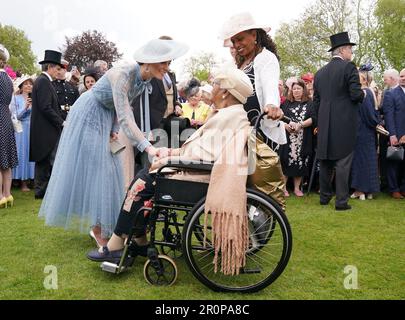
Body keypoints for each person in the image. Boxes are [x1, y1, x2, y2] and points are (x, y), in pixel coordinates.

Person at [87, 67, 253, 277]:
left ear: (226, 92)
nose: (212, 88)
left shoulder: (227, 117)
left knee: (142, 183)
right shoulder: (228, 114)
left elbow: (202, 156)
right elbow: (201, 151)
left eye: (217, 84)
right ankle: (137, 239)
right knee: (144, 178)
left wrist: (169, 158)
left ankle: (116, 244)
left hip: (197, 175)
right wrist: (172, 153)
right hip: (197, 169)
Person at [38, 39, 189, 248]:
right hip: (88, 115)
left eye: (168, 62)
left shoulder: (144, 80)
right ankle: (98, 229)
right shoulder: (123, 75)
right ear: (147, 62)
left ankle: (111, 227)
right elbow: (126, 116)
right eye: (163, 62)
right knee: (100, 170)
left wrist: (114, 130)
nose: (166, 68)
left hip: (107, 117)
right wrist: (149, 147)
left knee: (112, 171)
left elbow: (120, 111)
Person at [312, 32, 365, 211]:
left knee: (326, 160)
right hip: (343, 122)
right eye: (350, 49)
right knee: (343, 161)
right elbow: (356, 94)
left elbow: (316, 102)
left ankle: (325, 197)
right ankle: (341, 201)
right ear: (342, 50)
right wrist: (364, 94)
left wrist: (318, 122)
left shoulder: (319, 73)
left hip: (324, 122)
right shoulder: (349, 68)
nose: (351, 53)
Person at [219, 12, 286, 146]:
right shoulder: (239, 64)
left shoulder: (265, 58)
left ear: (254, 35)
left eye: (240, 39)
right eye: (234, 41)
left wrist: (271, 105)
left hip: (259, 132)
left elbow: (270, 84)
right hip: (239, 131)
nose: (236, 45)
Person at [30, 50, 66, 200]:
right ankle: (41, 192)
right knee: (45, 161)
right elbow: (46, 107)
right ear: (50, 67)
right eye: (57, 68)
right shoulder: (43, 81)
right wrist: (61, 122)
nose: (59, 72)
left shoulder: (43, 81)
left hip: (45, 130)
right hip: (45, 131)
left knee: (45, 162)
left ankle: (43, 191)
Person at [350, 67, 381, 200]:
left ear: (364, 79)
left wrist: (375, 123)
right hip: (366, 131)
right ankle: (368, 191)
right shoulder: (369, 92)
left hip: (362, 131)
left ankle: (360, 190)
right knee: (368, 160)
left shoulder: (364, 92)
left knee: (361, 160)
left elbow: (369, 114)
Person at [279, 79, 313, 197]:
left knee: (300, 162)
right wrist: (285, 125)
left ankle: (297, 188)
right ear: (291, 90)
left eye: (299, 88)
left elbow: (314, 118)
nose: (296, 91)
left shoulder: (309, 103)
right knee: (285, 161)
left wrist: (300, 125)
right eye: (294, 89)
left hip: (303, 137)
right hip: (287, 137)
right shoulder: (286, 103)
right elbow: (279, 117)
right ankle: (283, 188)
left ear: (303, 90)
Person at [382, 68, 405, 199]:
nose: (403, 78)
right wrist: (393, 134)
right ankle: (394, 189)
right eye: (401, 76)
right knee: (394, 162)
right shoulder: (391, 94)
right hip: (396, 134)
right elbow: (389, 115)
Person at [0, 44, 18, 208]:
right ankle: (8, 194)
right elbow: (12, 105)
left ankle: (0, 196)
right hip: (5, 117)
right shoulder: (8, 79)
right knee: (5, 161)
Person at [10, 76, 35, 191]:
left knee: (31, 153)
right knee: (22, 153)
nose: (29, 86)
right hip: (20, 129)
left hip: (33, 129)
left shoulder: (36, 98)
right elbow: (15, 116)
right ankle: (21, 182)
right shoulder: (15, 98)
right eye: (26, 84)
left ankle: (32, 179)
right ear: (21, 86)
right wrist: (25, 107)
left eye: (30, 84)